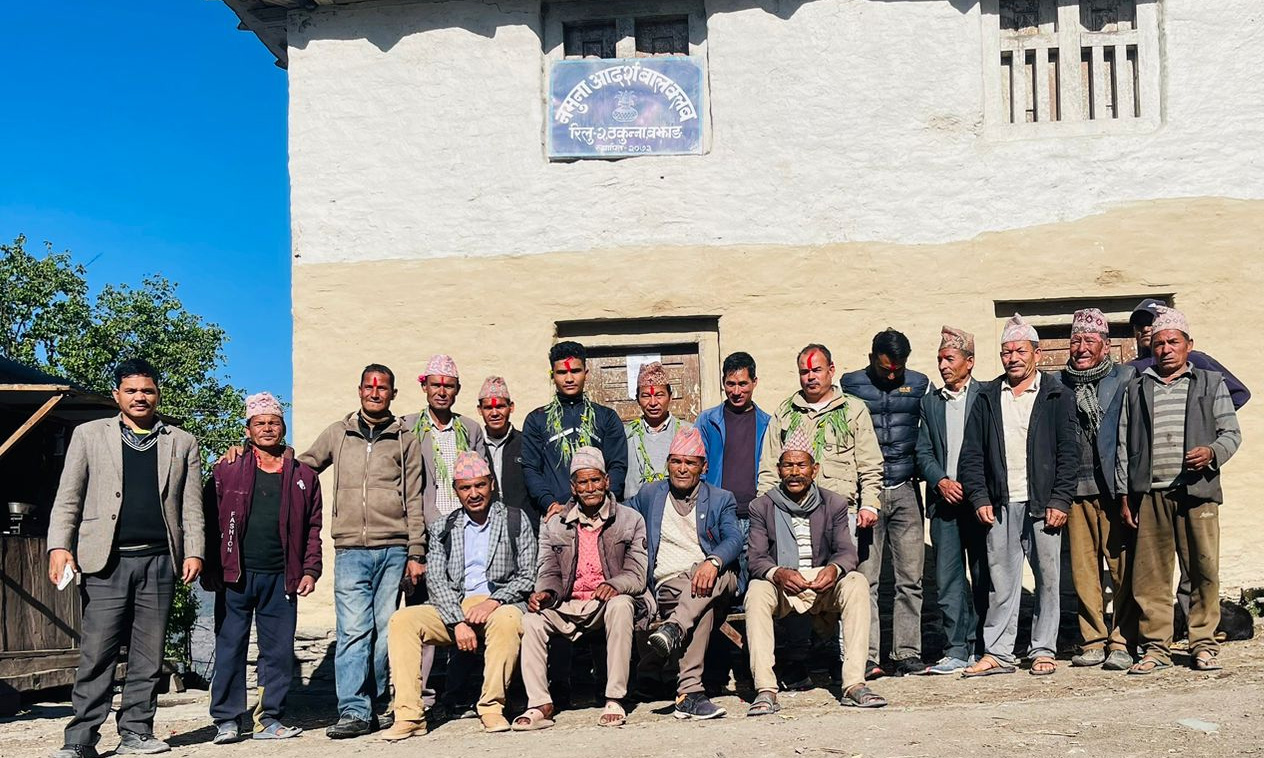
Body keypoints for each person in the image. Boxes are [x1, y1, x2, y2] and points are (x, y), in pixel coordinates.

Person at [47, 359, 205, 758]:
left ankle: (137, 731)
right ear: (117, 394)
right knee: (97, 652)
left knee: (148, 655)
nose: (140, 397)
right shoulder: (89, 435)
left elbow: (192, 506)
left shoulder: (182, 442)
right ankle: (81, 739)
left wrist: (194, 551)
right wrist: (59, 546)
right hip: (106, 562)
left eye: (147, 390)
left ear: (158, 394)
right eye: (131, 390)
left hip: (160, 561)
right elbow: (68, 497)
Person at [300, 365, 426, 738]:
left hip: (394, 548)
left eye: (382, 387)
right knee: (354, 629)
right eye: (369, 387)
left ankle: (379, 705)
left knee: (386, 632)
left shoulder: (405, 439)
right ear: (359, 390)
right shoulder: (338, 433)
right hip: (350, 549)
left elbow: (414, 497)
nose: (375, 392)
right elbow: (304, 466)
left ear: (393, 394)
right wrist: (264, 455)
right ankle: (354, 711)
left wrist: (416, 552)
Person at [1117, 306, 1242, 675]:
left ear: (1189, 345)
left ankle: (1202, 644)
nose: (1165, 349)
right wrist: (1125, 494)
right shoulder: (1137, 386)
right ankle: (1156, 647)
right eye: (1158, 344)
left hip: (1197, 492)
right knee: (1150, 577)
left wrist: (1212, 453)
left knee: (1203, 570)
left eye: (1173, 342)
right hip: (1150, 494)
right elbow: (1123, 443)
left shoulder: (1210, 383)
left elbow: (1231, 434)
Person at [378, 452, 537, 739]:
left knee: (509, 619)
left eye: (480, 485)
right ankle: (410, 715)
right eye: (466, 488)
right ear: (456, 491)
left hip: (500, 604)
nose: (474, 494)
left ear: (491, 484)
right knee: (402, 621)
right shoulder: (443, 528)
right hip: (456, 606)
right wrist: (457, 622)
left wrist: (493, 601)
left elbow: (527, 576)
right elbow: (437, 581)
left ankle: (491, 706)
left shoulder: (515, 519)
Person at [959, 315, 1078, 678]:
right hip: (1000, 503)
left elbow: (1069, 453)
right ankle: (998, 652)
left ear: (1037, 354)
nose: (1012, 358)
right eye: (1006, 352)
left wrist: (1060, 500)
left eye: (1020, 351)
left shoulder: (1057, 394)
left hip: (1043, 504)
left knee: (1048, 579)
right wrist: (979, 497)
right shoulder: (986, 397)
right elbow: (972, 454)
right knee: (1002, 581)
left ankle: (1043, 649)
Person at [203, 393, 322, 743]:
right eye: (260, 423)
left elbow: (313, 527)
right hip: (235, 575)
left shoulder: (303, 475)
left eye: (274, 422)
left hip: (282, 577)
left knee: (278, 651)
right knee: (230, 648)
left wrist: (310, 569)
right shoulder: (227, 469)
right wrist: (210, 566)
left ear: (283, 428)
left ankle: (268, 719)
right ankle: (227, 720)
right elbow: (208, 518)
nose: (267, 428)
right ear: (248, 429)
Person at [744, 428, 885, 714]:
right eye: (788, 465)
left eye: (801, 465)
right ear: (779, 469)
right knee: (756, 591)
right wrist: (779, 574)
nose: (795, 472)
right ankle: (766, 690)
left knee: (857, 582)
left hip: (822, 583)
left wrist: (834, 569)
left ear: (815, 469)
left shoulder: (833, 503)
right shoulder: (762, 506)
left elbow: (846, 551)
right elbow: (756, 559)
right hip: (783, 586)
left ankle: (854, 684)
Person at [512, 447, 649, 730]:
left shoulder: (630, 519)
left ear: (607, 481)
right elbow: (548, 570)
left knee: (621, 605)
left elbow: (637, 573)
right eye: (583, 482)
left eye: (596, 480)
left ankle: (615, 698)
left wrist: (614, 585)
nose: (590, 488)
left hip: (605, 603)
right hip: (567, 603)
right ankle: (540, 704)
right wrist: (546, 593)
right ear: (573, 488)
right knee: (531, 620)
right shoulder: (554, 524)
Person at [629, 428, 742, 720]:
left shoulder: (720, 498)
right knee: (702, 606)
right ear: (668, 464)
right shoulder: (651, 494)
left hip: (714, 577)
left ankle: (674, 628)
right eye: (676, 461)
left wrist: (713, 561)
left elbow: (734, 538)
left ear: (703, 467)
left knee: (715, 579)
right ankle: (689, 693)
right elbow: (618, 513)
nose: (682, 468)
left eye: (690, 463)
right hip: (671, 584)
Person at [841, 329, 930, 677]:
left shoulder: (919, 384)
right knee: (866, 580)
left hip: (906, 487)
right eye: (885, 368)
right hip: (867, 492)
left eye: (899, 369)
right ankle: (867, 656)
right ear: (871, 358)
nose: (892, 375)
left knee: (911, 578)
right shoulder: (851, 385)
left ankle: (907, 652)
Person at [1059, 310, 1137, 671]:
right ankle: (1092, 640)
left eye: (1089, 340)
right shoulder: (1059, 384)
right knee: (1083, 571)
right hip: (1074, 491)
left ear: (1105, 346)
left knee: (1121, 568)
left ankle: (1122, 640)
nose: (1081, 347)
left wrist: (1128, 489)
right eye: (1076, 340)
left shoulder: (1125, 379)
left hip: (1112, 489)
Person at [914, 326, 986, 675]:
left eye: (950, 359)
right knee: (947, 579)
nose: (943, 366)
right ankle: (956, 648)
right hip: (944, 503)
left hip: (980, 502)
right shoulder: (931, 402)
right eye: (940, 359)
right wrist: (940, 480)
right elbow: (923, 450)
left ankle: (985, 646)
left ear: (969, 362)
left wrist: (978, 489)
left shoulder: (987, 396)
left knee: (985, 575)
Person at [522, 341, 628, 521]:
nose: (569, 378)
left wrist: (605, 502)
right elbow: (531, 468)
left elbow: (617, 465)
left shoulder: (606, 417)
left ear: (586, 373)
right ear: (552, 375)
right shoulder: (537, 420)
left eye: (575, 371)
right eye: (562, 372)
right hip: (557, 515)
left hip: (600, 515)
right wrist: (549, 503)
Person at [401, 354, 488, 525]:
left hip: (466, 523)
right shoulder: (407, 427)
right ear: (424, 386)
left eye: (448, 386)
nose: (441, 393)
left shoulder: (470, 429)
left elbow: (482, 479)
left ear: (457, 389)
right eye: (435, 385)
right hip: (422, 523)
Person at [1128, 298, 1250, 409]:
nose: (1145, 329)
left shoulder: (1195, 359)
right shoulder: (1130, 369)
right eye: (1139, 325)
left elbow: (1239, 394)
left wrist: (1207, 419)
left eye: (1150, 322)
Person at [624, 361, 692, 499]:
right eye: (646, 396)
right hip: (634, 508)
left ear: (670, 397)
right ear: (637, 399)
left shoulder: (688, 432)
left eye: (659, 395)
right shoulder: (626, 434)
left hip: (676, 507)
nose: (653, 403)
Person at [476, 376, 535, 526]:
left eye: (500, 406)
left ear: (511, 407)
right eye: (488, 408)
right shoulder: (476, 447)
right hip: (487, 527)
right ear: (479, 410)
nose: (495, 413)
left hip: (524, 526)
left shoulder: (526, 443)